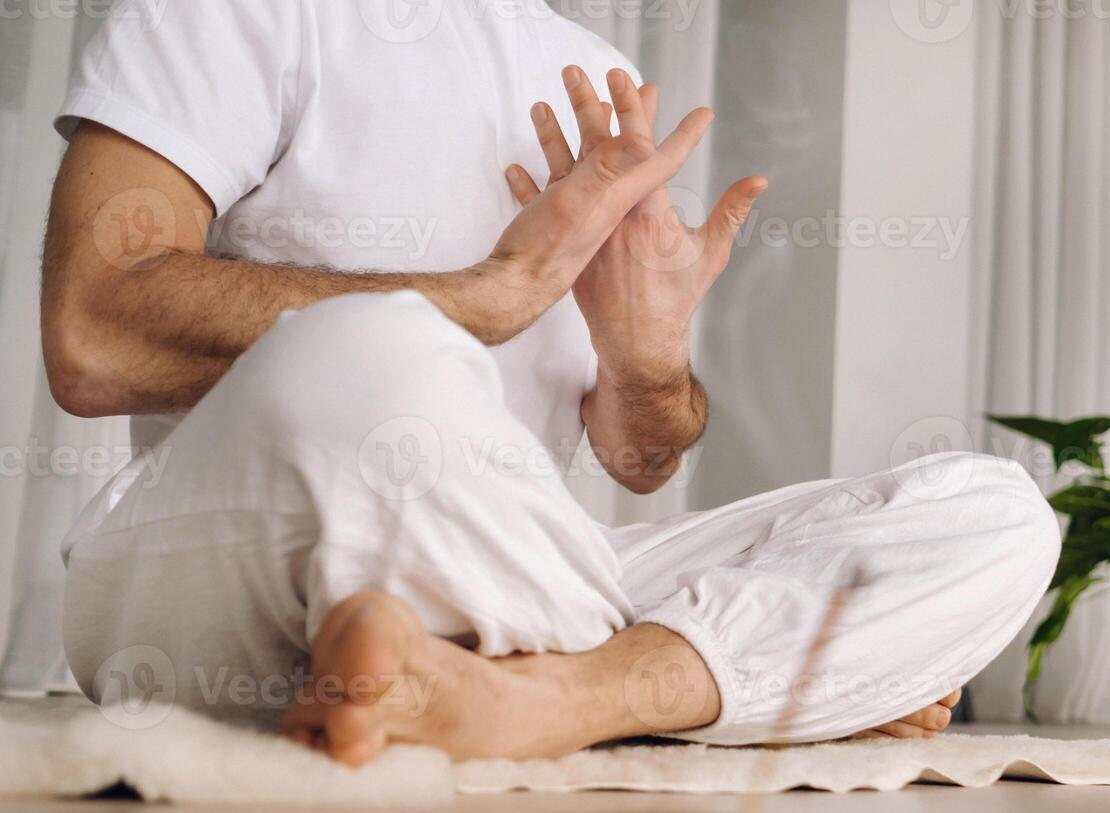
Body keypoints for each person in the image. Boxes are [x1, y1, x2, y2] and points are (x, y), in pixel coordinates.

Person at [42, 1, 1059, 765]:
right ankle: (723, 679)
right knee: (373, 349)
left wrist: (646, 359)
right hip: (217, 583)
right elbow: (92, 330)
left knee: (998, 514)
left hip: (517, 576)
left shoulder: (596, 73)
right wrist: (492, 293)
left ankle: (545, 698)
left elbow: (640, 459)